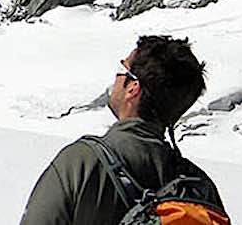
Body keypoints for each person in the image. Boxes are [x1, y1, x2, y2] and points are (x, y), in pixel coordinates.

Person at [19, 35, 222, 225]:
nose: (116, 77)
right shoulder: (199, 189)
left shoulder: (81, 162)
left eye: (122, 70)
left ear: (133, 88)